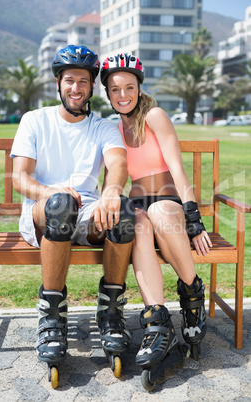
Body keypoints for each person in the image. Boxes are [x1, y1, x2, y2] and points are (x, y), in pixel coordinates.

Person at [10, 45, 135, 376]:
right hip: (42, 211)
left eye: (83, 80)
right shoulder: (35, 120)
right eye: (69, 80)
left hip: (88, 212)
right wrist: (52, 191)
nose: (76, 88)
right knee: (60, 204)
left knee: (122, 210)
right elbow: (20, 179)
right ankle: (52, 315)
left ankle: (110, 312)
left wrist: (110, 191)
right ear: (58, 84)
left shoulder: (103, 126)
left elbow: (118, 162)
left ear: (92, 85)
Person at [100, 53, 213, 370]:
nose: (123, 95)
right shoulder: (113, 131)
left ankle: (192, 295)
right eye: (115, 89)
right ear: (108, 94)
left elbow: (178, 169)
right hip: (138, 205)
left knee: (161, 213)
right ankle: (158, 321)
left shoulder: (155, 116)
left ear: (139, 87)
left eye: (129, 87)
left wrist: (193, 219)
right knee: (137, 223)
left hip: (167, 199)